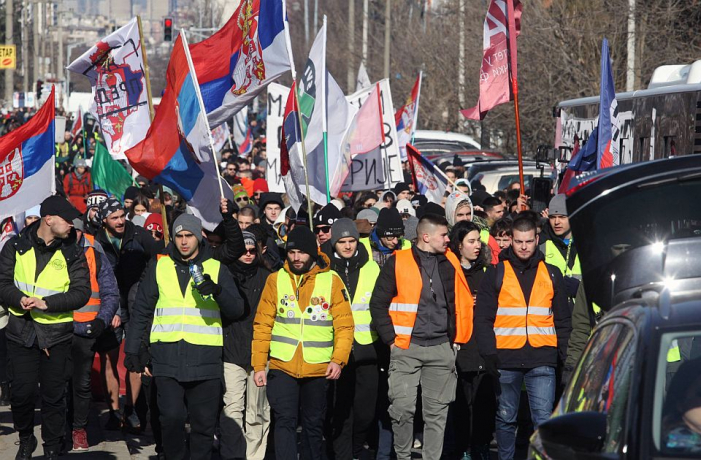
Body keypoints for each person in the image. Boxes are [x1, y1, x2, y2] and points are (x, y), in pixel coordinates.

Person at [124, 214, 244, 460]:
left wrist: (218, 291)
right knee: (171, 419)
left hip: (205, 358)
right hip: (167, 356)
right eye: (179, 236)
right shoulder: (160, 266)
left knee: (203, 424)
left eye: (189, 236)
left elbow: (237, 310)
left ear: (199, 236)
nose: (184, 241)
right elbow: (142, 310)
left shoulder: (215, 267)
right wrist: (133, 349)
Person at [369, 214, 473, 460]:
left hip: (441, 349)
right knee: (402, 409)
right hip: (406, 348)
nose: (449, 240)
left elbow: (460, 302)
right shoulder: (398, 262)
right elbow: (377, 304)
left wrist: (455, 341)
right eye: (444, 235)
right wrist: (392, 341)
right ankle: (403, 456)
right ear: (426, 236)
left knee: (437, 414)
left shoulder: (451, 262)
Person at [252, 226, 354, 460]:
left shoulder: (332, 280)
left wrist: (338, 360)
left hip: (318, 367)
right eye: (292, 252)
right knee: (285, 421)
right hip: (282, 365)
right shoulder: (275, 280)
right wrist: (259, 365)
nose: (296, 257)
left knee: (313, 425)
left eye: (302, 252)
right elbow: (262, 324)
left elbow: (345, 325)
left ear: (313, 253)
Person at [0, 196, 91, 460]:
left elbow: (81, 292)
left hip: (56, 335)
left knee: (54, 396)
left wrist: (47, 303)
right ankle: (26, 438)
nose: (72, 225)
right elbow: (2, 282)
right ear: (48, 219)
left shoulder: (73, 251)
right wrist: (18, 299)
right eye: (67, 220)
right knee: (22, 393)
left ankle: (52, 446)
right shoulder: (15, 247)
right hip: (21, 333)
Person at [474, 216, 571, 460]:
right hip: (505, 359)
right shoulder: (496, 273)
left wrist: (566, 359)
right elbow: (483, 318)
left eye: (529, 241)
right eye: (519, 241)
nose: (524, 246)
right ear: (511, 242)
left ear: (537, 240)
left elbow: (562, 321)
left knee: (542, 420)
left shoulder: (551, 273)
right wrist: (489, 354)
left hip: (542, 359)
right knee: (506, 418)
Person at [95, 197, 165, 430]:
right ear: (104, 220)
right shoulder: (97, 240)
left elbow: (160, 257)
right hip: (109, 306)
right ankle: (114, 412)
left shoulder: (137, 234)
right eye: (113, 218)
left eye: (121, 216)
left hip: (136, 304)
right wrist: (109, 308)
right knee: (108, 359)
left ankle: (131, 409)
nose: (119, 221)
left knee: (134, 359)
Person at [322, 218, 382, 460]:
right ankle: (342, 454)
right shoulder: (324, 269)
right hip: (336, 349)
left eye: (351, 241)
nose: (347, 246)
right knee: (339, 409)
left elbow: (380, 304)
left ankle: (357, 450)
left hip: (368, 346)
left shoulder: (372, 267)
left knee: (365, 411)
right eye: (342, 241)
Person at [220, 231, 272, 460]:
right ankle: (233, 456)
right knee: (232, 409)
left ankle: (254, 456)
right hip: (232, 352)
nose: (248, 255)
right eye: (243, 251)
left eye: (252, 250)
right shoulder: (225, 274)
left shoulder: (268, 277)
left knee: (258, 411)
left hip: (261, 354)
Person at [69, 218, 120, 451]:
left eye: (77, 231)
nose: (74, 236)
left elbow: (110, 290)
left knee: (81, 383)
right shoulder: (49, 249)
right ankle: (58, 429)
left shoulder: (93, 250)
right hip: (55, 328)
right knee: (57, 383)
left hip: (85, 328)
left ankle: (79, 429)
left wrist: (102, 319)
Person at [448, 221, 496, 459]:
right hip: (459, 347)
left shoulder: (486, 271)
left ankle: (481, 447)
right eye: (472, 241)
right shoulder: (448, 271)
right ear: (459, 245)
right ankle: (463, 449)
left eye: (479, 240)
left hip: (483, 347)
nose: (478, 246)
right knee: (461, 405)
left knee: (484, 404)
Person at [539, 194, 581, 307]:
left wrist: (580, 290)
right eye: (552, 217)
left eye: (562, 217)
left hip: (586, 317)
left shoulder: (588, 243)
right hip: (554, 316)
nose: (556, 222)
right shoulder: (541, 245)